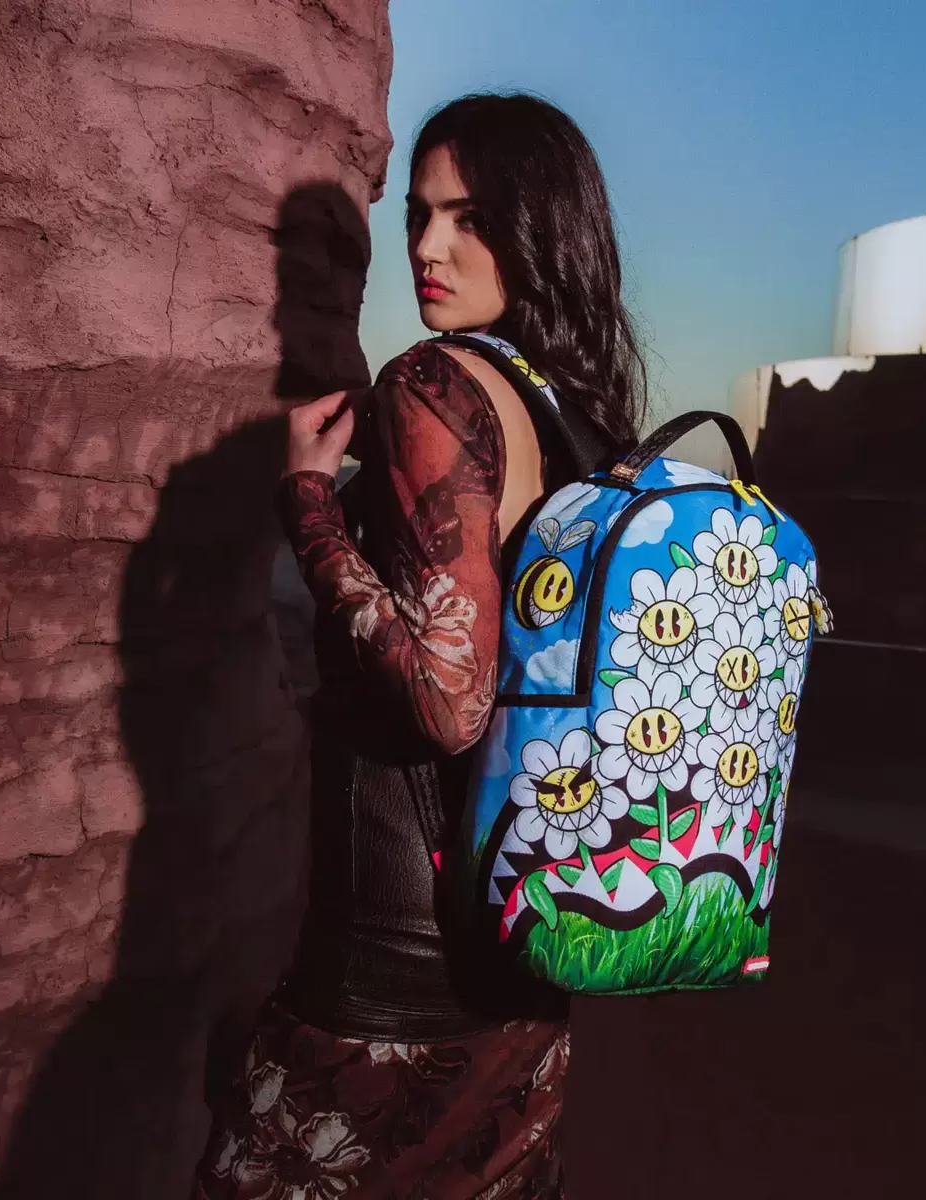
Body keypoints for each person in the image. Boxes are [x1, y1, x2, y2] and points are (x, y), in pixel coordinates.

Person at [192, 92, 646, 1200]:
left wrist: (310, 505)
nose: (429, 247)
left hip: (390, 973)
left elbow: (448, 701)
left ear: (539, 231)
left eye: (470, 218)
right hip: (528, 960)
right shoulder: (581, 418)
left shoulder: (435, 385)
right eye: (420, 215)